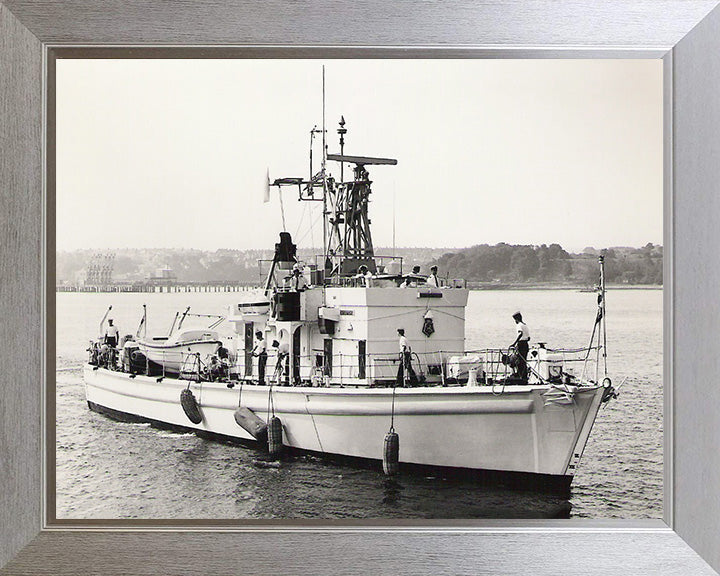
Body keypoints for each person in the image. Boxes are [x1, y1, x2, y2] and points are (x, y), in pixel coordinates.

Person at [510, 312, 531, 381]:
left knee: (519, 361)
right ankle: (524, 376)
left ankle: (520, 377)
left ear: (516, 319)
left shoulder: (519, 325)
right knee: (523, 360)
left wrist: (514, 343)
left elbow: (520, 334)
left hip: (521, 344)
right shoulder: (525, 325)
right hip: (526, 344)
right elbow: (528, 338)